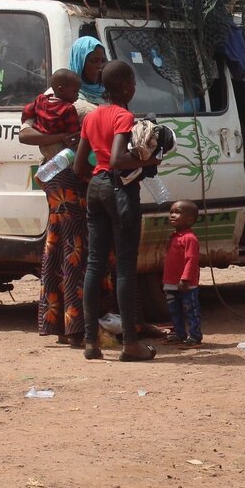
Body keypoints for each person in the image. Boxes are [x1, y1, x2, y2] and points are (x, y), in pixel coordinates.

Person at [76, 60, 163, 362]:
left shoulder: (92, 116)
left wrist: (97, 179)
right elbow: (116, 159)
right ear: (126, 87)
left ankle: (91, 343)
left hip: (95, 188)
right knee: (125, 267)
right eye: (134, 84)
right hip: (118, 190)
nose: (135, 88)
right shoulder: (123, 116)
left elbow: (78, 165)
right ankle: (130, 344)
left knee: (94, 263)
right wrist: (148, 162)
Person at [20, 38, 105, 347]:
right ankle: (74, 327)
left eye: (101, 61)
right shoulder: (60, 98)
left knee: (70, 247)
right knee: (72, 248)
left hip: (87, 178)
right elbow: (25, 133)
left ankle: (66, 323)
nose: (99, 66)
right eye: (93, 61)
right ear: (79, 62)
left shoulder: (98, 96)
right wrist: (64, 137)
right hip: (63, 177)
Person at [164, 200, 203, 348]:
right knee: (174, 311)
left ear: (190, 219)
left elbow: (191, 260)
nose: (172, 215)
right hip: (171, 282)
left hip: (186, 284)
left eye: (178, 212)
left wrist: (185, 278)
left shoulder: (189, 238)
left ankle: (195, 336)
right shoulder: (174, 236)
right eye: (171, 212)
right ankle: (179, 334)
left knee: (190, 311)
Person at [23, 69, 82, 142]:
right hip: (59, 143)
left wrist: (25, 121)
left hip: (40, 136)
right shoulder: (68, 109)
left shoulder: (41, 99)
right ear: (61, 90)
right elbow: (73, 131)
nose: (78, 95)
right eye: (75, 91)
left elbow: (27, 110)